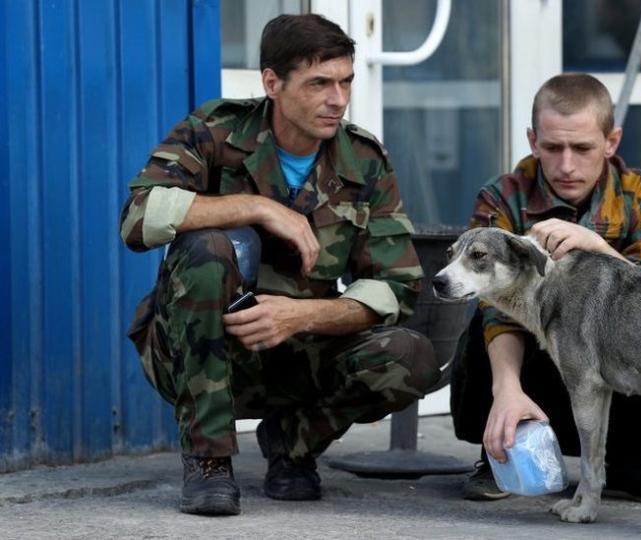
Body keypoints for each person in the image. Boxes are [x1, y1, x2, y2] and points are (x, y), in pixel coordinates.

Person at [120, 14, 439, 516]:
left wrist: (300, 315)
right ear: (272, 82)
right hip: (203, 348)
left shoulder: (363, 159)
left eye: (345, 81)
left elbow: (395, 287)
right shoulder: (215, 131)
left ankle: (292, 447)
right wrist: (259, 207)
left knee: (412, 355)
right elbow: (137, 218)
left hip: (299, 349)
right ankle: (209, 461)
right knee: (205, 249)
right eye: (319, 83)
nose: (338, 99)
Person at [450, 73, 641, 504]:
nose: (566, 165)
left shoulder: (638, 193)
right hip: (536, 372)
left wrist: (598, 247)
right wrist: (506, 388)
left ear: (611, 141)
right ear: (532, 140)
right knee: (485, 325)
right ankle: (501, 454)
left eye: (582, 148)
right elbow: (491, 308)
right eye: (552, 147)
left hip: (620, 369)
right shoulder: (503, 197)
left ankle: (635, 467)